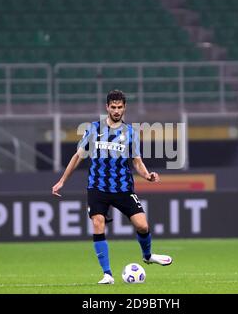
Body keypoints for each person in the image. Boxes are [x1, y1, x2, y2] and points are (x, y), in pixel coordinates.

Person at [51, 90, 172, 285]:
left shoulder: (130, 132)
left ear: (124, 108)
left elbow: (137, 161)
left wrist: (147, 175)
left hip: (123, 188)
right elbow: (77, 157)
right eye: (113, 107)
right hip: (97, 187)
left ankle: (147, 255)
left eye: (120, 107)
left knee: (142, 225)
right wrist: (62, 180)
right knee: (98, 222)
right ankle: (107, 274)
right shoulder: (93, 129)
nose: (116, 110)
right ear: (107, 107)